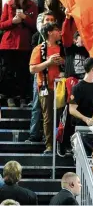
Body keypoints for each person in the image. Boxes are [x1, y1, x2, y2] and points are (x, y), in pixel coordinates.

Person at [0, 0, 38, 107]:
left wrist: (25, 18)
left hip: (24, 45)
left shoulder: (32, 6)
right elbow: (2, 24)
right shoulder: (9, 5)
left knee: (22, 72)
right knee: (8, 72)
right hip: (9, 44)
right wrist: (13, 21)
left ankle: (22, 98)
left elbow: (35, 26)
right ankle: (9, 97)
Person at [30, 22, 65, 154]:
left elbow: (69, 64)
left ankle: (62, 144)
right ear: (49, 32)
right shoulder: (39, 49)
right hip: (45, 87)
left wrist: (63, 62)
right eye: (57, 30)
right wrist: (48, 62)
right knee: (48, 117)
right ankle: (50, 145)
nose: (59, 32)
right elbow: (32, 69)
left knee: (63, 117)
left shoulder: (63, 48)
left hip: (61, 87)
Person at [26, 11, 56, 144]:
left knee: (52, 112)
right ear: (42, 23)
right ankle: (34, 134)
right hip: (40, 79)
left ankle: (49, 138)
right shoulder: (37, 38)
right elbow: (33, 65)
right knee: (37, 106)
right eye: (46, 20)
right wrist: (48, 62)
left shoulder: (59, 42)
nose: (49, 22)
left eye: (52, 20)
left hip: (55, 82)